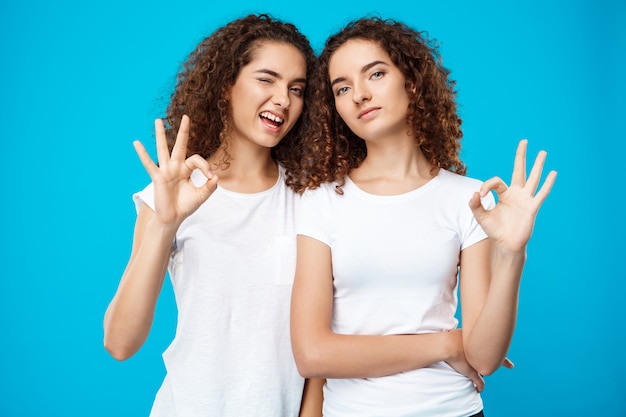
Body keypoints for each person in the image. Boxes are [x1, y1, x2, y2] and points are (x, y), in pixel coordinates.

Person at [290, 17, 557, 417]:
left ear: (411, 81)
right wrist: (448, 343)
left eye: (375, 74)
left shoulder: (468, 197)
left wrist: (512, 254)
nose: (359, 95)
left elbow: (482, 358)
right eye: (342, 88)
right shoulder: (322, 201)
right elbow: (311, 354)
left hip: (452, 409)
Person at [103, 14, 322, 417]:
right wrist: (165, 224)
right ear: (226, 85)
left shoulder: (311, 199)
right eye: (266, 79)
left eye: (296, 89)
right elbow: (120, 342)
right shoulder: (171, 192)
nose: (283, 99)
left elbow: (323, 344)